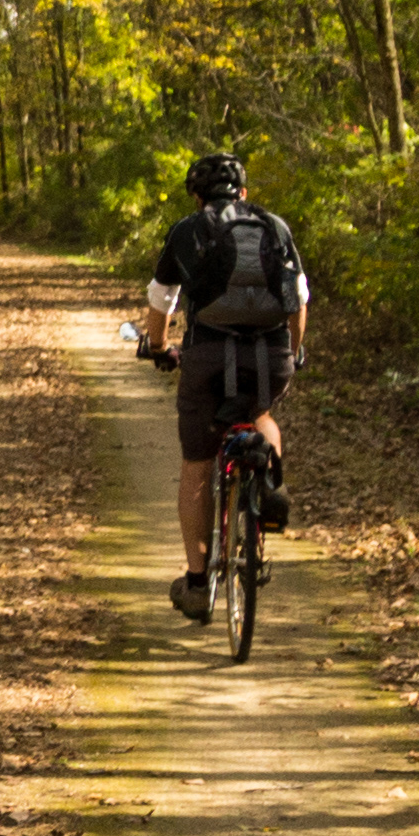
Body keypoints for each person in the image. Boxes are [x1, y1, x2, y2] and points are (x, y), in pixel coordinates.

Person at [133, 151, 306, 620]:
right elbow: (299, 298)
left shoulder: (186, 232)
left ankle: (195, 582)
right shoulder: (275, 228)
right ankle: (268, 485)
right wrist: (294, 349)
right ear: (244, 192)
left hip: (206, 356)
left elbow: (161, 300)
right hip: (271, 355)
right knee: (262, 414)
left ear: (196, 196)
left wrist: (157, 347)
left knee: (197, 464)